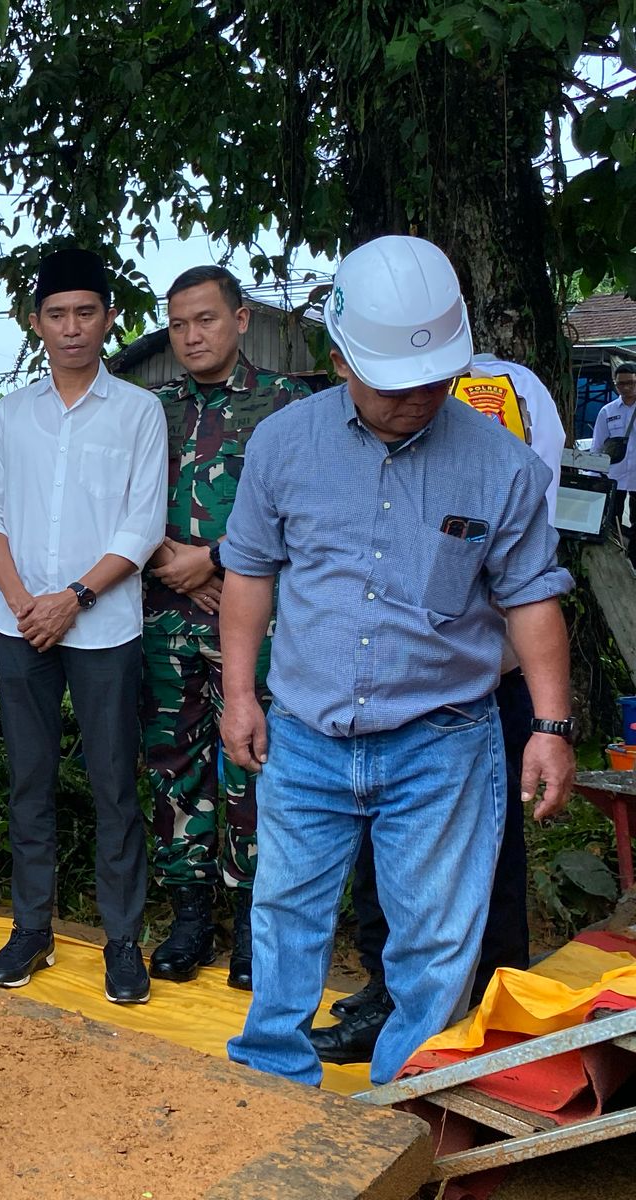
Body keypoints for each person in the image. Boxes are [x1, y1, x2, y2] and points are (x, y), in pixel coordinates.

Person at [221, 235, 575, 1087]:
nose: (418, 396)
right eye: (395, 381)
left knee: (435, 939)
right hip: (306, 735)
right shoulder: (282, 445)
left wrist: (553, 724)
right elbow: (248, 573)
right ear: (342, 358)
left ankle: (403, 1106)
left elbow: (531, 598)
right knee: (285, 915)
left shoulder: (504, 467)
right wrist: (240, 692)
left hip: (443, 740)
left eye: (434, 378)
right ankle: (271, 1085)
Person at [314, 352, 567, 1063]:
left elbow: (528, 524)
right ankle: (389, 991)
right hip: (385, 672)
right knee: (376, 833)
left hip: (483, 667)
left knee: (486, 841)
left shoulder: (513, 390)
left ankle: (492, 995)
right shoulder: (359, 394)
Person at [0, 248, 168, 1003]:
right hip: (20, 623)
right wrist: (25, 598)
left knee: (117, 783)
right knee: (30, 781)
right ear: (37, 324)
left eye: (86, 312)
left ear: (109, 319)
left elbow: (142, 522)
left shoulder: (137, 412)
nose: (72, 327)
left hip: (104, 627)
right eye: (57, 314)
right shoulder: (13, 412)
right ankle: (32, 928)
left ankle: (123, 940)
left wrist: (73, 599)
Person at [140, 266, 311, 989]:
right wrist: (168, 559)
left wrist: (215, 562)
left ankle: (252, 921)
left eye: (205, 320)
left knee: (251, 762)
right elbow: (112, 503)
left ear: (241, 320)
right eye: (178, 324)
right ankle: (189, 917)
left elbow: (307, 512)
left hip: (255, 623)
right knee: (173, 765)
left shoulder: (289, 404)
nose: (191, 336)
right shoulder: (148, 410)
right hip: (163, 616)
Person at [593, 362, 636, 561]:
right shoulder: (607, 412)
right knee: (612, 521)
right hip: (614, 476)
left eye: (631, 383)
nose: (626, 388)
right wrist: (593, 476)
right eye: (621, 384)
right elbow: (597, 446)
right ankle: (616, 561)